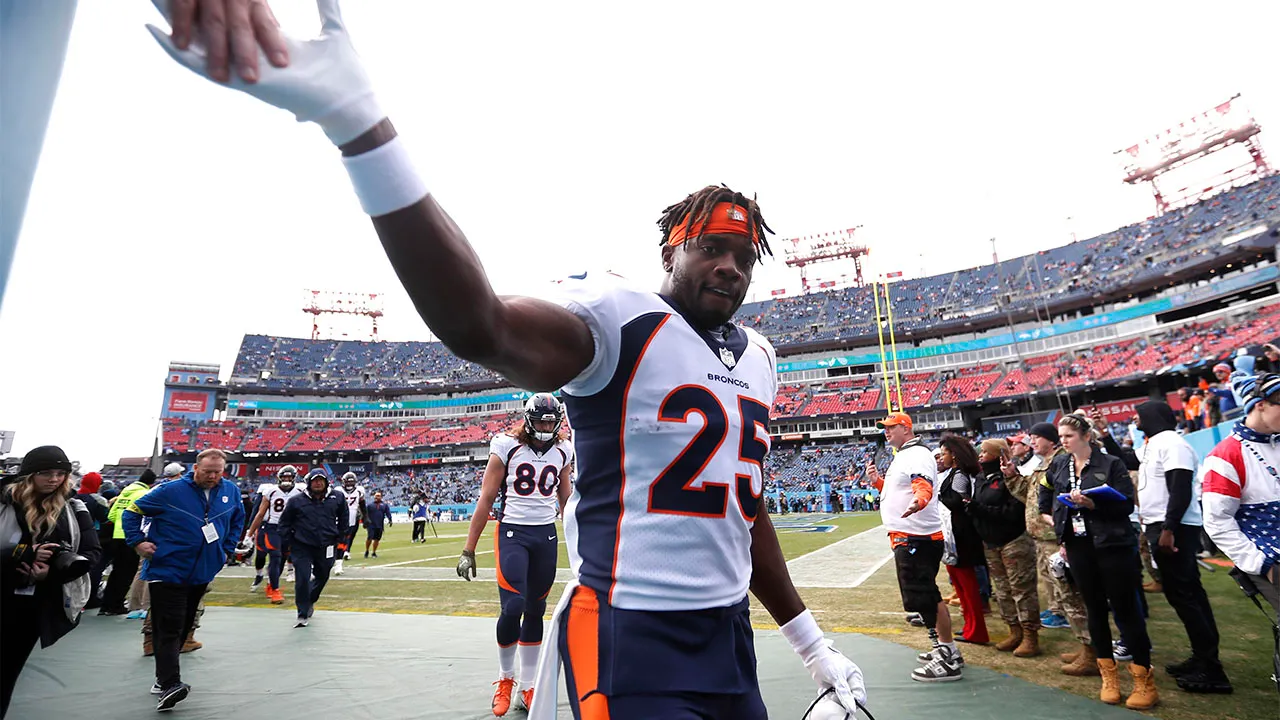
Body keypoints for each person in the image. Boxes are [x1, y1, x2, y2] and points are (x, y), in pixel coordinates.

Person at [146, 5, 868, 716]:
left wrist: (810, 644)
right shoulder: (622, 321)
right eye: (712, 246)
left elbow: (746, 511)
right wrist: (362, 129)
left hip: (730, 642)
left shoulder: (761, 358)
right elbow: (480, 326)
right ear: (670, 249)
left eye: (745, 256)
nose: (732, 267)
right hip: (629, 632)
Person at [457, 393, 575, 714]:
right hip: (512, 532)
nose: (546, 426)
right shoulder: (506, 446)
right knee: (513, 606)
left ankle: (529, 685)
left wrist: (579, 546)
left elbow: (566, 503)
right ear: (528, 419)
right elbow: (486, 499)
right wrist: (469, 548)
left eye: (552, 421)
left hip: (545, 535)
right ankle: (505, 678)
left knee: (536, 610)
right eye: (541, 420)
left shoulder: (564, 449)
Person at [1042, 414, 1156, 710]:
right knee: (1094, 608)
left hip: (1113, 545)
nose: (1063, 441)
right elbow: (1047, 496)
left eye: (1068, 436)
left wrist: (1094, 504)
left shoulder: (1110, 464)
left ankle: (1143, 678)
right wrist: (1058, 524)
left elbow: (1126, 504)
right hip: (1079, 547)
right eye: (1061, 436)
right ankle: (1109, 677)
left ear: (1085, 436)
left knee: (1125, 609)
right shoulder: (1058, 464)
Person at [122, 449, 245, 711]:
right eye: (208, 471)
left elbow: (238, 519)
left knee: (186, 624)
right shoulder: (170, 490)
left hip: (202, 571)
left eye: (218, 471)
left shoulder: (231, 491)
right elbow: (131, 512)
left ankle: (161, 678)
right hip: (167, 569)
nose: (212, 476)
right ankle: (170, 684)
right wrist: (138, 542)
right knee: (169, 626)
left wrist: (227, 548)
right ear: (196, 468)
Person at [1133, 400, 1229, 692]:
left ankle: (1211, 669)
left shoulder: (1172, 443)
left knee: (1184, 596)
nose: (1135, 418)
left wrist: (1168, 528)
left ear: (1152, 416)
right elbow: (1126, 458)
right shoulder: (1156, 443)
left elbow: (1180, 486)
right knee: (1187, 594)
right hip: (1166, 526)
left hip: (1173, 529)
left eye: (1139, 414)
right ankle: (1203, 657)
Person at [0, 446, 100, 718]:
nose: (54, 479)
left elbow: (91, 554)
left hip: (35, 603)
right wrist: (24, 553)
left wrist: (51, 573)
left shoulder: (73, 507)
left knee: (7, 673)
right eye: (46, 473)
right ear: (29, 474)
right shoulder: (4, 501)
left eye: (61, 473)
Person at [866, 412, 960, 682]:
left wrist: (920, 500)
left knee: (923, 598)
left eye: (891, 428)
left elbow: (922, 485)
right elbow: (902, 489)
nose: (886, 433)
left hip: (915, 536)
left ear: (905, 429)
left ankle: (945, 657)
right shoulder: (906, 454)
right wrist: (878, 484)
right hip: (912, 535)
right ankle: (947, 649)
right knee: (929, 595)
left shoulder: (916, 454)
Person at [1014, 422, 1095, 676]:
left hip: (1058, 537)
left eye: (1037, 437)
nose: (1032, 442)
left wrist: (1061, 534)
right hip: (1043, 534)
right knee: (1062, 594)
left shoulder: (1062, 462)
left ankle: (1091, 651)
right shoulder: (1045, 463)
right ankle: (1084, 647)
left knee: (1072, 595)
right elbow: (1030, 495)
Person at [1203, 373, 1280, 615]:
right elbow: (1217, 521)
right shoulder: (1225, 455)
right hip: (1270, 559)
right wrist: (1263, 565)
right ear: (1261, 405)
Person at [972, 439, 1041, 658]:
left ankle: (1031, 636)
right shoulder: (982, 479)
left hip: (1013, 539)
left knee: (1021, 589)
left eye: (986, 452)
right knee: (1002, 591)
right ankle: (1014, 630)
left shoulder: (1011, 478)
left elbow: (1011, 513)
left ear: (999, 455)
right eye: (981, 451)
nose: (981, 455)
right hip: (991, 543)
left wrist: (979, 510)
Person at [934, 435, 988, 645]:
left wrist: (935, 496)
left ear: (954, 455)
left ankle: (977, 630)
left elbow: (957, 501)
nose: (942, 457)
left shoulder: (959, 475)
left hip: (962, 537)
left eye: (944, 453)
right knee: (962, 586)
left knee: (968, 587)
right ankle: (970, 627)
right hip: (955, 535)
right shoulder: (954, 473)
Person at [279, 469, 348, 628]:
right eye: (315, 480)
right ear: (309, 482)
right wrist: (289, 541)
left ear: (326, 482)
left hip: (327, 545)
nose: (318, 483)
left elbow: (344, 518)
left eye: (321, 480)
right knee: (302, 578)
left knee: (322, 576)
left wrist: (340, 537)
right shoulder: (296, 501)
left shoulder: (337, 497)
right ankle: (302, 613)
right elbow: (284, 523)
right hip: (302, 546)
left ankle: (310, 599)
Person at [99, 468, 160, 615]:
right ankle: (117, 605)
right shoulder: (145, 494)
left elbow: (112, 515)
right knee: (127, 573)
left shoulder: (124, 492)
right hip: (132, 538)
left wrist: (120, 525)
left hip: (117, 535)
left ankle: (106, 605)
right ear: (151, 483)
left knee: (116, 572)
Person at [242, 465, 303, 604]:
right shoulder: (271, 491)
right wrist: (249, 534)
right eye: (284, 477)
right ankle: (275, 590)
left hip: (290, 529)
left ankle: (271, 584)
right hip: (272, 528)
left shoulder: (300, 491)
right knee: (275, 556)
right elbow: (260, 513)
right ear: (279, 478)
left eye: (289, 477)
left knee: (282, 559)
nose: (286, 480)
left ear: (294, 478)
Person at [74, 471, 111, 610]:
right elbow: (106, 519)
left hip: (74, 536)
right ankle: (90, 599)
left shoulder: (75, 496)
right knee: (93, 567)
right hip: (94, 536)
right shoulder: (98, 500)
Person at [336, 471, 365, 574]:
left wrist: (365, 517)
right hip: (337, 519)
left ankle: (339, 564)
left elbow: (362, 504)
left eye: (351, 483)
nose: (349, 485)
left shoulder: (359, 491)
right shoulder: (337, 491)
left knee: (343, 542)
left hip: (351, 520)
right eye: (348, 482)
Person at [363, 490, 392, 558]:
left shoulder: (384, 505)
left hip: (380, 525)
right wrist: (364, 522)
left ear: (381, 497)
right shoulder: (370, 505)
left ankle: (374, 552)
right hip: (371, 525)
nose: (377, 497)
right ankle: (367, 550)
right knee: (369, 538)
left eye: (378, 496)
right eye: (376, 496)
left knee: (377, 539)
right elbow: (365, 514)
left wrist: (390, 520)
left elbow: (388, 513)